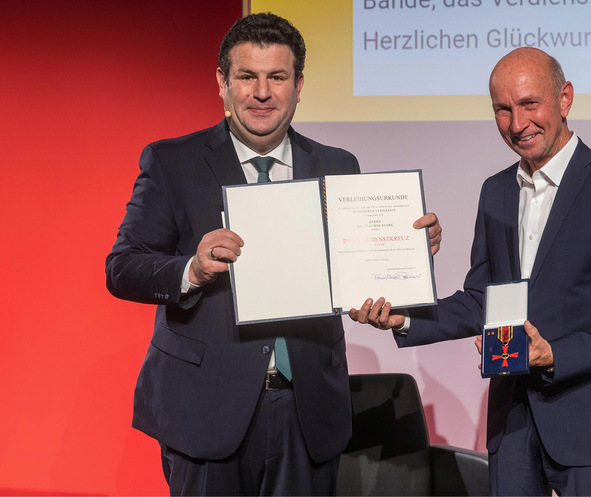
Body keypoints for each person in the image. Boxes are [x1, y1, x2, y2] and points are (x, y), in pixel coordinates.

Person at [106, 13, 441, 496]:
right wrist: (191, 270)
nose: (261, 92)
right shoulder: (171, 161)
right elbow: (122, 268)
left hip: (307, 411)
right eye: (247, 77)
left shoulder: (338, 165)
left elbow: (356, 269)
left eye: (277, 77)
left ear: (298, 85)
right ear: (222, 82)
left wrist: (408, 251)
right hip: (206, 409)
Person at [350, 47, 591, 496]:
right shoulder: (495, 192)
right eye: (502, 109)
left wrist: (554, 355)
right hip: (512, 424)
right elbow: (482, 299)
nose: (517, 124)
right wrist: (405, 316)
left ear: (565, 98)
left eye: (530, 104)